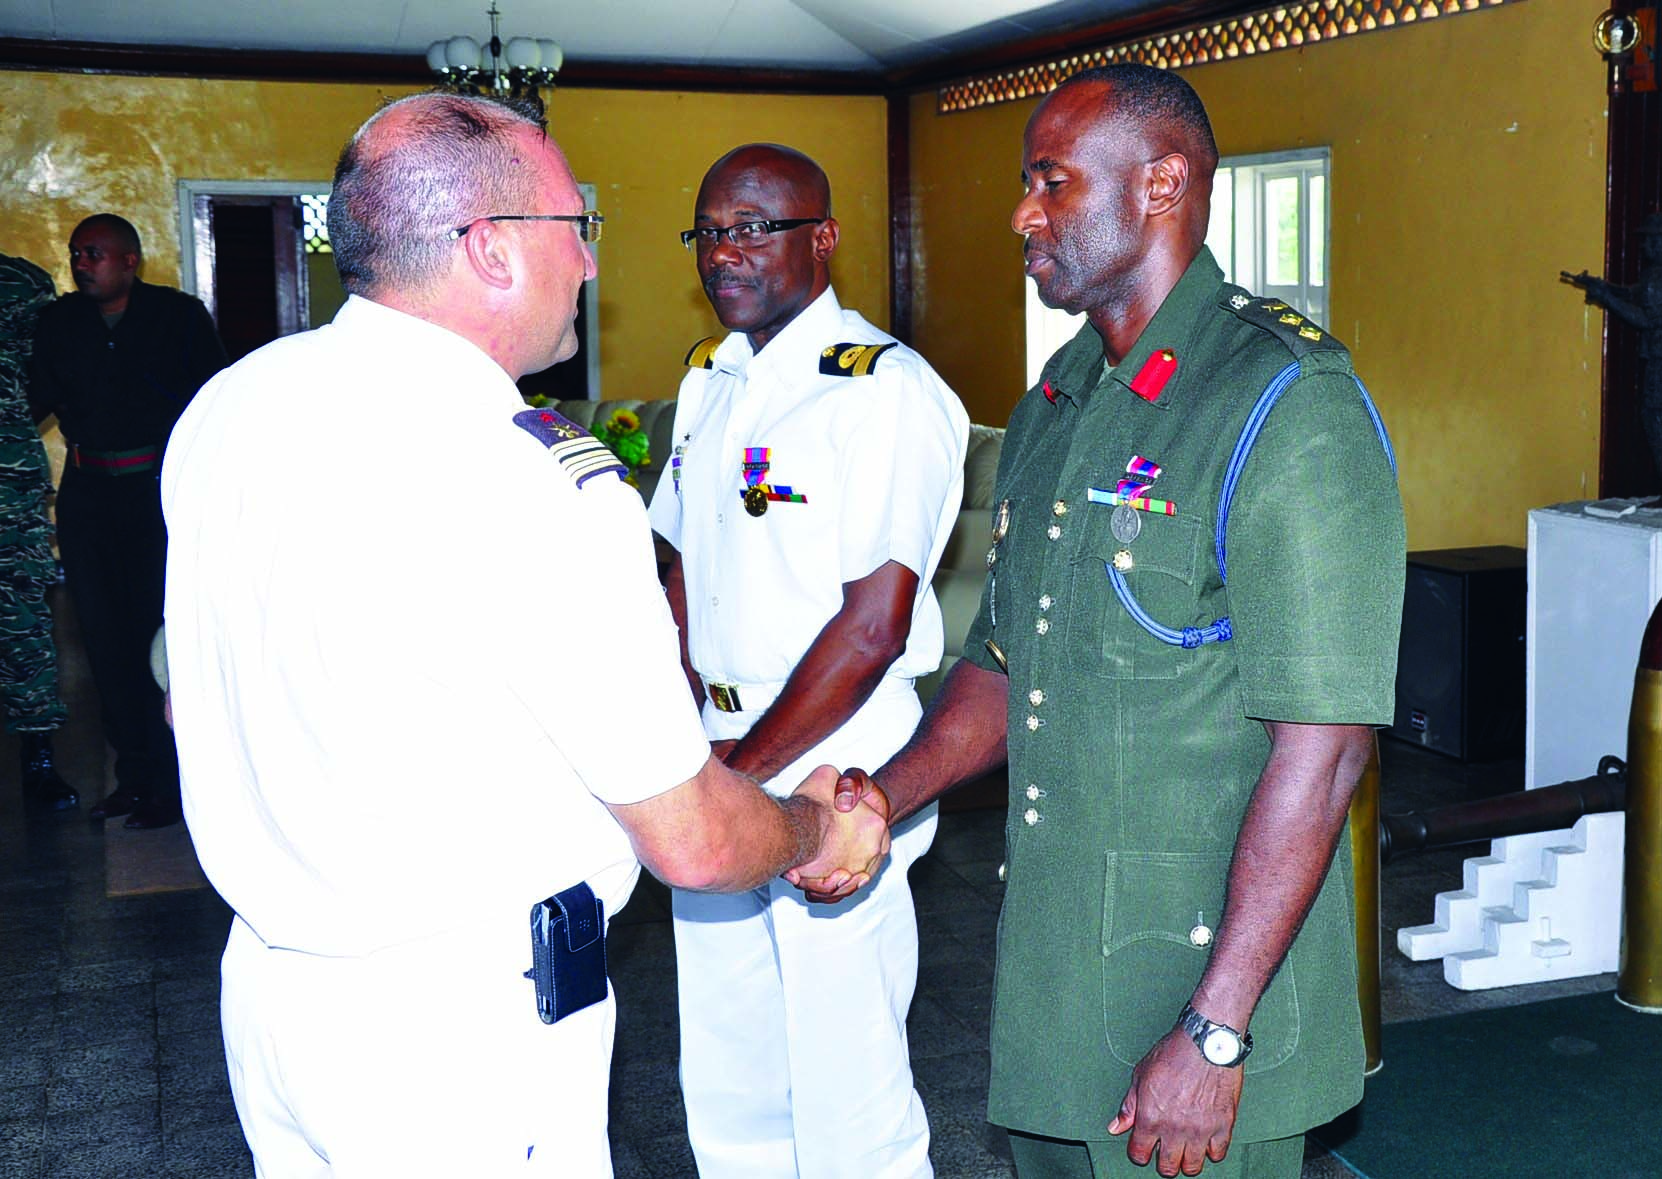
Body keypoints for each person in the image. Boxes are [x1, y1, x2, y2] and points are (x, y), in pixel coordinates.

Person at [160, 94, 891, 1179]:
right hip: (461, 1034)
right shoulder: (529, 478)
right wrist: (814, 830)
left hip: (275, 993)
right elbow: (692, 840)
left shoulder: (232, 407)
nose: (590, 265)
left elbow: (190, 698)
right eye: (575, 229)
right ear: (491, 249)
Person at [832, 66, 1406, 1179]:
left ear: (1162, 186)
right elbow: (1006, 662)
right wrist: (883, 799)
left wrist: (1216, 1031)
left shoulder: (1286, 402)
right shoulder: (1061, 402)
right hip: (1059, 990)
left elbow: (1327, 748)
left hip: (1197, 996)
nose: (1022, 213)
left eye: (1052, 182)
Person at [646, 143, 969, 1178]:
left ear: (822, 237)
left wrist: (738, 779)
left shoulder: (882, 390)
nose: (724, 253)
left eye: (753, 229)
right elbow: (683, 562)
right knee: (729, 1054)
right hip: (718, 742)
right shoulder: (710, 377)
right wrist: (683, 727)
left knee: (844, 1063)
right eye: (709, 233)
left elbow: (873, 626)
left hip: (834, 755)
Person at [30, 213, 227, 829]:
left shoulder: (177, 317)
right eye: (75, 254)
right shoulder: (60, 322)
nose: (80, 265)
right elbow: (33, 399)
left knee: (159, 638)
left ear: (129, 261)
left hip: (154, 494)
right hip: (88, 496)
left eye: (93, 254)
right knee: (104, 641)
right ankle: (133, 777)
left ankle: (173, 783)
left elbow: (213, 401)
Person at [0, 251, 75, 810]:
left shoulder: (20, 283)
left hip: (8, 485)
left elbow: (49, 372)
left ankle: (38, 759)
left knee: (22, 622)